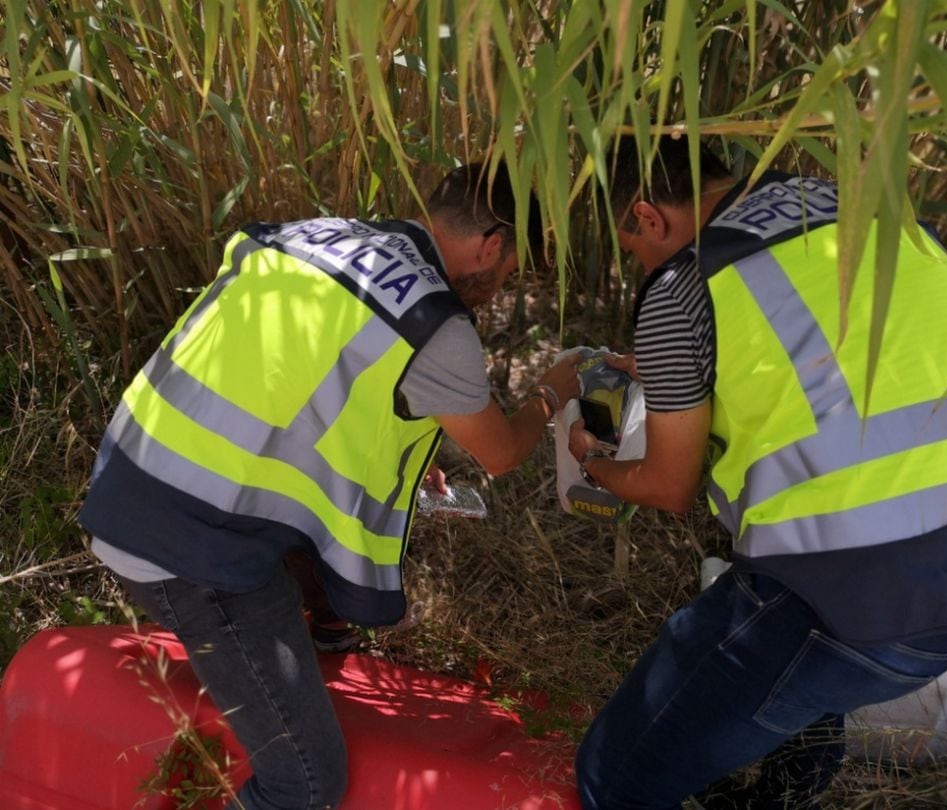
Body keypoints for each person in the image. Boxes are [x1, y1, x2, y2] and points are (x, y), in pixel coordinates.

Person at [569, 135, 947, 810]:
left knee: (613, 779)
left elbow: (666, 485)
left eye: (634, 247)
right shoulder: (880, 216)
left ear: (649, 217)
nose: (642, 261)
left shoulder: (686, 281)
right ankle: (789, 786)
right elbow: (833, 373)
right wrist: (675, 375)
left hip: (850, 606)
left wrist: (591, 461)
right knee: (795, 676)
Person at [79, 161, 581, 810]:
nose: (501, 285)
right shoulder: (434, 321)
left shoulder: (311, 235)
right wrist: (552, 392)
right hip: (191, 552)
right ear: (490, 246)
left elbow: (301, 387)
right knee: (307, 783)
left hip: (123, 484)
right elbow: (503, 453)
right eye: (510, 270)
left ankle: (315, 644)